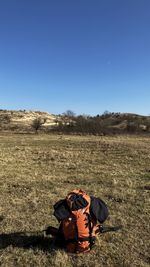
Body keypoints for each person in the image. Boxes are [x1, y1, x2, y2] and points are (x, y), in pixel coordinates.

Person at [45, 189, 109, 253]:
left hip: (68, 246)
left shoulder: (64, 204)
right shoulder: (92, 201)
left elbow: (58, 216)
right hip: (89, 245)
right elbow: (103, 216)